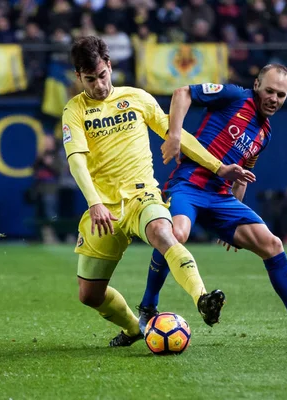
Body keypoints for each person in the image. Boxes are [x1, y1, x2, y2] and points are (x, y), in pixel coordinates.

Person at [137, 64, 287, 348]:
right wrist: (175, 135)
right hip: (189, 185)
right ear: (257, 84)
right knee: (177, 234)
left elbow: (243, 176)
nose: (274, 98)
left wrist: (231, 226)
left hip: (222, 199)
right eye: (270, 90)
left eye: (282, 95)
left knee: (272, 244)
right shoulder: (235, 95)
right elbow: (182, 93)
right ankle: (148, 306)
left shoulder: (265, 134)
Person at [62, 36, 249, 347]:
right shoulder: (75, 110)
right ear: (79, 77)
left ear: (110, 66)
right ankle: (135, 328)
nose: (98, 85)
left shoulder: (136, 98)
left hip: (141, 195)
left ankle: (202, 298)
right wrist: (94, 203)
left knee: (164, 233)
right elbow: (77, 162)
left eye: (102, 75)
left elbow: (177, 134)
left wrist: (219, 167)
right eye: (90, 79)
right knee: (89, 295)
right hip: (104, 209)